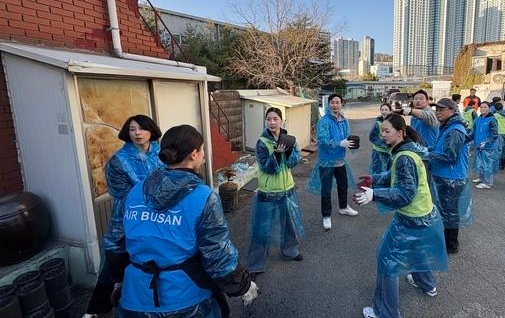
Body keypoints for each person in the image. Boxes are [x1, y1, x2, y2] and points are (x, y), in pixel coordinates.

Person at [111, 125, 258, 317]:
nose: (204, 154)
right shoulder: (203, 196)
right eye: (202, 149)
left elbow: (117, 242)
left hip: (134, 297)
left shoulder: (136, 191)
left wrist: (114, 281)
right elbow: (216, 253)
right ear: (194, 154)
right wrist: (243, 285)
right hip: (186, 299)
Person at [357, 114, 447, 318]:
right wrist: (375, 179)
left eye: (387, 131)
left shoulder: (404, 157)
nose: (383, 135)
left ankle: (385, 313)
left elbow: (405, 194)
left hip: (411, 217)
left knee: (387, 259)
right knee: (417, 250)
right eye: (382, 130)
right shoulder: (406, 151)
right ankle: (428, 285)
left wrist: (374, 195)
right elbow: (395, 175)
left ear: (400, 132)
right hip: (424, 215)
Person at [85, 115, 164, 316]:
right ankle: (96, 308)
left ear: (151, 131)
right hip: (127, 218)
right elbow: (121, 194)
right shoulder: (118, 161)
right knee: (114, 259)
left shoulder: (161, 154)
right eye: (132, 129)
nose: (137, 133)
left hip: (158, 215)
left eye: (141, 128)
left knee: (152, 261)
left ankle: (145, 303)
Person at [247, 107, 305, 278]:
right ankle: (255, 265)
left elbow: (293, 162)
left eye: (275, 119)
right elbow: (268, 168)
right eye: (269, 119)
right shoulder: (261, 143)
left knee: (289, 223)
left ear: (282, 120)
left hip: (287, 189)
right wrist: (278, 154)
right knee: (262, 229)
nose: (272, 122)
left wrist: (292, 149)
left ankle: (290, 251)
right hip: (268, 192)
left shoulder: (287, 139)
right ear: (266, 121)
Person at [426, 98, 472, 255]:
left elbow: (450, 156)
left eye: (442, 109)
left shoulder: (454, 130)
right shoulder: (446, 127)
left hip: (451, 177)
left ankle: (451, 245)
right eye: (436, 109)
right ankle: (445, 240)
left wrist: (427, 155)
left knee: (450, 211)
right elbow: (440, 147)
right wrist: (426, 149)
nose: (438, 112)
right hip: (444, 175)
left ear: (452, 111)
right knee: (444, 209)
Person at [308, 93, 358, 230]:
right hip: (326, 162)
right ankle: (326, 216)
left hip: (340, 161)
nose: (335, 105)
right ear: (328, 104)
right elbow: (323, 141)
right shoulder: (324, 121)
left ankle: (343, 207)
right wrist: (339, 143)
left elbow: (347, 137)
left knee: (343, 185)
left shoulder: (344, 120)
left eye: (338, 102)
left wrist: (351, 143)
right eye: (332, 102)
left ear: (341, 104)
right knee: (326, 190)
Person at [471, 102, 498, 189]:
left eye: (485, 107)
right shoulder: (478, 119)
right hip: (478, 145)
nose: (483, 109)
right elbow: (473, 132)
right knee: (480, 163)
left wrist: (486, 142)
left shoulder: (492, 120)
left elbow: (494, 134)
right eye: (481, 107)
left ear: (489, 108)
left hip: (487, 147)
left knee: (487, 164)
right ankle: (482, 178)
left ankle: (487, 182)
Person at [369, 103, 393, 175]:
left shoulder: (394, 122)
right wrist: (384, 144)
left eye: (386, 110)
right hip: (378, 153)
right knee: (377, 172)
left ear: (390, 111)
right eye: (382, 110)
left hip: (389, 153)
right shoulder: (378, 123)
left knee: (389, 173)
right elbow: (372, 136)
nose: (384, 111)